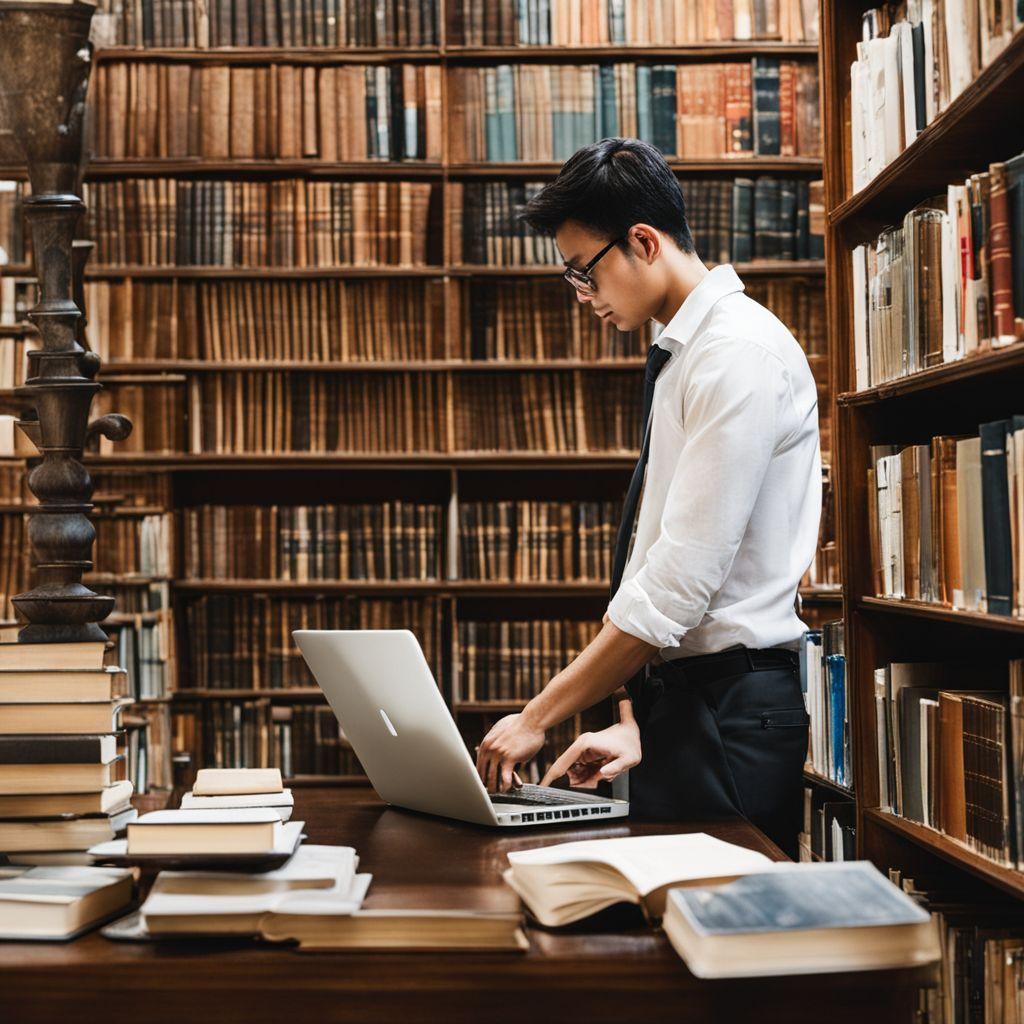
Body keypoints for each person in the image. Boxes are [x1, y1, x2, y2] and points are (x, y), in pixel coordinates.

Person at [473, 137, 822, 858]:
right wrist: (638, 721)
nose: (584, 297)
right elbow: (660, 556)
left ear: (642, 240)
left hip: (736, 709)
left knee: (724, 940)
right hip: (694, 702)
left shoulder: (736, 356)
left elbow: (679, 582)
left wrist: (538, 715)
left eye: (583, 272)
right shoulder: (686, 352)